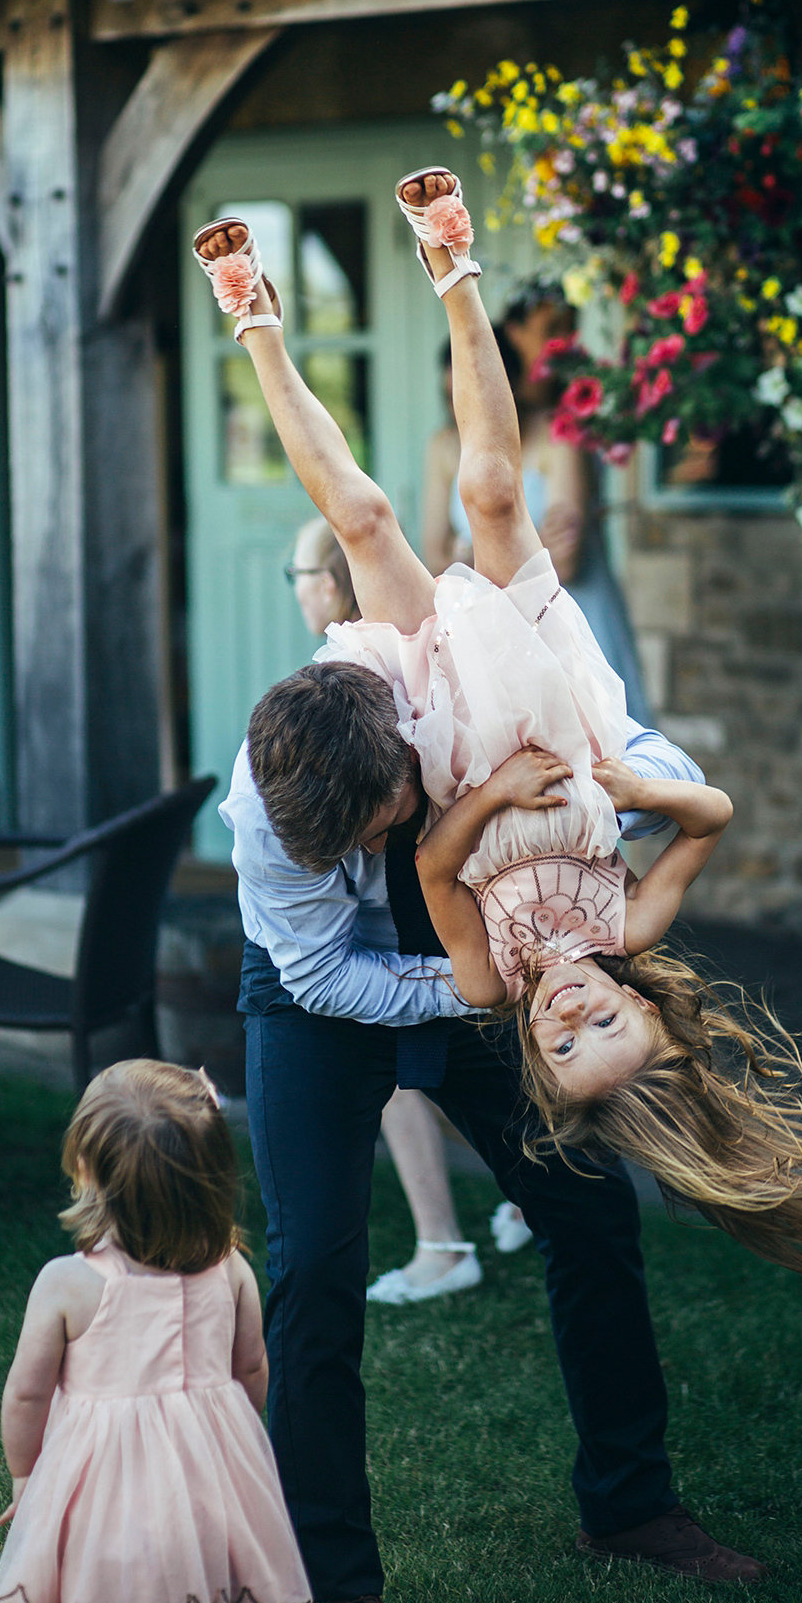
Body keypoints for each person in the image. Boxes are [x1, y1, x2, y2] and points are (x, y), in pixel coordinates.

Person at [201, 165, 802, 1416]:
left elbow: (431, 867)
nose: (574, 1015)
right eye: (605, 1027)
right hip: (545, 733)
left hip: (466, 757)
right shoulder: (609, 926)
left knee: (364, 520)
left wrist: (486, 807)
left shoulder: (484, 974)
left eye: (561, 1042)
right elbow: (709, 810)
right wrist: (638, 786)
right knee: (498, 495)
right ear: (656, 1018)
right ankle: (452, 269)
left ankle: (256, 320)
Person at [199, 178, 769, 1599]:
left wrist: (620, 791)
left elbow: (393, 522)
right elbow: (328, 974)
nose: (414, 809)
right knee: (320, 1275)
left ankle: (631, 1502)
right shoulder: (273, 821)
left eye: (412, 794)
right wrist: (480, 983)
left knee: (590, 1214)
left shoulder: (399, 679)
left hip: (480, 968)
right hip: (335, 995)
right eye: (397, 815)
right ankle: (334, 1574)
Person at [0, 1059, 312, 1603]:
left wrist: (25, 1477)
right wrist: (230, 1432)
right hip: (214, 1479)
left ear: (87, 1170)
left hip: (104, 1486)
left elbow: (26, 1393)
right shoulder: (231, 1268)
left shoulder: (68, 1284)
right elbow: (253, 1366)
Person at [289, 515, 483, 1303]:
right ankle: (506, 1208)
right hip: (424, 913)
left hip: (438, 893)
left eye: (299, 575)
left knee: (395, 1052)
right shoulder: (313, 709)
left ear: (329, 587)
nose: (299, 589)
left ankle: (443, 1239)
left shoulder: (385, 681)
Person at [422, 289, 652, 725]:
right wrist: (527, 550)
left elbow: (563, 563)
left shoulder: (557, 434)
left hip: (571, 622)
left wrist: (468, 554)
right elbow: (434, 562)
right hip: (489, 635)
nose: (463, 409)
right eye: (451, 397)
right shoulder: (443, 447)